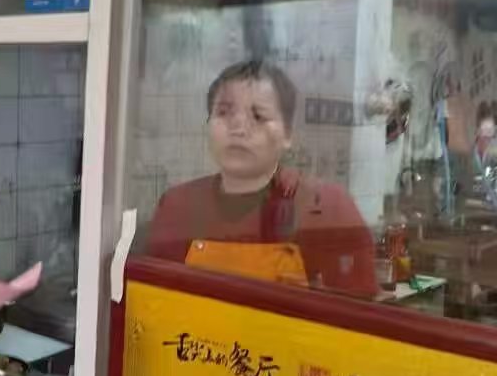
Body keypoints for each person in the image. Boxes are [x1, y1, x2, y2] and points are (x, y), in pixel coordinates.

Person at [145, 60, 377, 296]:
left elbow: (358, 311)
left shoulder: (328, 208)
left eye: (258, 116)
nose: (238, 128)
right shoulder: (177, 207)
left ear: (288, 134)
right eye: (223, 113)